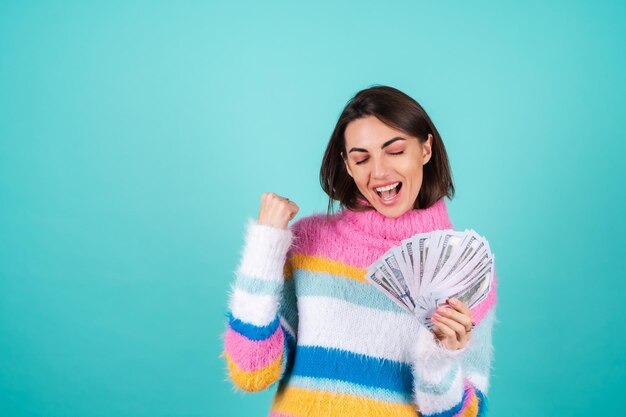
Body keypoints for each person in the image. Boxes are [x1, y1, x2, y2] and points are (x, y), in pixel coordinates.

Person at [221, 85, 498, 417]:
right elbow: (251, 371)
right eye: (361, 157)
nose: (378, 172)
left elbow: (466, 414)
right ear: (347, 166)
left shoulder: (463, 269)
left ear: (425, 149)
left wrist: (440, 358)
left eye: (395, 151)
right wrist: (264, 249)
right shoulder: (309, 244)